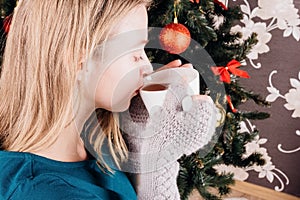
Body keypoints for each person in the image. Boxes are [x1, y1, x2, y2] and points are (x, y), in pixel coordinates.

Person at [0, 0, 216, 200]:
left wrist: (143, 134)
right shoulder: (46, 192)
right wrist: (158, 164)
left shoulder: (96, 146)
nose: (148, 67)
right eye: (134, 51)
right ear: (77, 59)